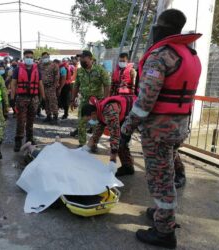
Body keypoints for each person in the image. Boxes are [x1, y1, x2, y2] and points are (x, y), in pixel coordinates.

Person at [120, 9, 202, 248]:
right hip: (178, 127)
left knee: (160, 180)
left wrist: (126, 129)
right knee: (164, 174)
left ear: (162, 28)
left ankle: (164, 232)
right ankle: (160, 212)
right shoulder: (190, 54)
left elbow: (144, 102)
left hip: (158, 130)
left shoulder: (161, 56)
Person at [81, 95, 136, 176]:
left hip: (138, 112)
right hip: (126, 116)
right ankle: (128, 166)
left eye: (89, 119)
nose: (90, 122)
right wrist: (88, 146)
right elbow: (98, 130)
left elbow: (115, 134)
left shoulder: (109, 111)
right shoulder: (99, 110)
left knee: (121, 141)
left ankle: (128, 166)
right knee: (121, 140)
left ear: (93, 114)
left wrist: (112, 160)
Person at [70, 50, 111, 147]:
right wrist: (72, 100)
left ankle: (94, 144)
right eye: (81, 59)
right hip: (84, 101)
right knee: (81, 122)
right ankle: (82, 144)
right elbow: (76, 86)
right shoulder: (80, 71)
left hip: (97, 102)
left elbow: (107, 85)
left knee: (97, 124)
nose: (81, 60)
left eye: (84, 58)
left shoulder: (100, 70)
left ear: (91, 59)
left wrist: (105, 101)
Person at [10, 50, 45, 152]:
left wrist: (43, 98)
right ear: (24, 58)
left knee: (31, 120)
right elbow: (13, 84)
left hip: (34, 98)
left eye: (30, 57)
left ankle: (29, 139)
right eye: (27, 57)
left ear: (33, 58)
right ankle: (18, 141)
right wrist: (12, 98)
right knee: (21, 120)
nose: (29, 58)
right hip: (22, 98)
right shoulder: (17, 70)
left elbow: (40, 85)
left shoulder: (37, 70)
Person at [39, 52, 60, 124]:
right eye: (44, 57)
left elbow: (57, 76)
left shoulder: (54, 65)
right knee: (45, 102)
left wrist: (54, 86)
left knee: (53, 102)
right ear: (41, 58)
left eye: (46, 57)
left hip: (51, 86)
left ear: (49, 57)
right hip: (42, 87)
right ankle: (48, 116)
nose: (45, 58)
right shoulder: (40, 65)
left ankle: (55, 117)